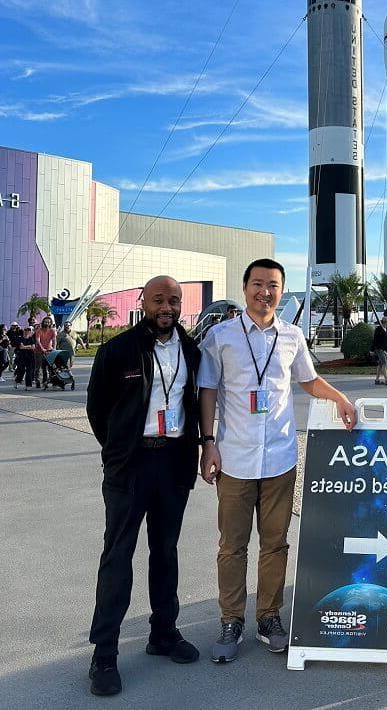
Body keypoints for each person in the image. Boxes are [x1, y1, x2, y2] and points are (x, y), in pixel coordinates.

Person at [198, 258, 357, 663]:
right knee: (232, 546)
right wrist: (208, 443)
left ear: (281, 291)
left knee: (275, 544)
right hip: (234, 458)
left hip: (280, 458)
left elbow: (307, 380)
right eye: (257, 284)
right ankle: (231, 620)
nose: (264, 292)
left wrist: (339, 398)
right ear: (245, 286)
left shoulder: (292, 336)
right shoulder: (221, 337)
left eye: (272, 285)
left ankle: (269, 616)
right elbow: (208, 391)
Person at [85, 276, 202, 697]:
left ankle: (164, 633)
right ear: (143, 303)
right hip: (130, 468)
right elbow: (98, 409)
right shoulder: (117, 350)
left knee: (166, 551)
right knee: (117, 557)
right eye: (158, 300)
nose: (166, 307)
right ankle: (104, 653)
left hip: (173, 463)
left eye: (173, 300)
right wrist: (119, 451)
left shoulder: (192, 349)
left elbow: (194, 401)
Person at [371, 316, 387, 386]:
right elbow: (374, 340)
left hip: (383, 349)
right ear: (386, 322)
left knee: (380, 364)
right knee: (384, 362)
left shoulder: (385, 329)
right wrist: (371, 350)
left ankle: (377, 380)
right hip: (378, 348)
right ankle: (386, 379)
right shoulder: (379, 329)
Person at [35, 316, 56, 388]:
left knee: (50, 367)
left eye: (48, 322)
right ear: (43, 322)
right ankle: (38, 381)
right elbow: (38, 341)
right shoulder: (39, 330)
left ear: (50, 323)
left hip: (49, 351)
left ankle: (48, 381)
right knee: (39, 367)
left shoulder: (52, 330)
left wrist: (54, 348)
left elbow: (54, 340)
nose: (47, 323)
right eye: (45, 321)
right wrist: (42, 348)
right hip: (39, 351)